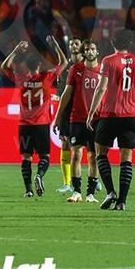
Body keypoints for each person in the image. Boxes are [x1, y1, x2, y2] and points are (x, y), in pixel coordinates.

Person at [86, 30, 135, 211]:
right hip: (130, 116)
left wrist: (91, 112)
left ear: (113, 43)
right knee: (126, 159)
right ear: (130, 44)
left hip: (109, 115)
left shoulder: (108, 61)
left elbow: (101, 88)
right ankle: (122, 202)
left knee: (100, 153)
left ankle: (111, 192)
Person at [1, 37, 67, 197]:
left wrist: (16, 50)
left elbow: (4, 67)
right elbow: (64, 63)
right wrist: (56, 46)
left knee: (26, 157)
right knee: (45, 156)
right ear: (39, 65)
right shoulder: (47, 77)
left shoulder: (21, 78)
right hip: (41, 124)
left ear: (27, 66)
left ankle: (28, 190)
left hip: (24, 125)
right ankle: (39, 176)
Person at [54, 40, 100, 204]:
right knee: (76, 154)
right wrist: (57, 117)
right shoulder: (76, 69)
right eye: (87, 49)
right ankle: (76, 192)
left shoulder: (103, 70)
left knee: (94, 157)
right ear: (84, 52)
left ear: (97, 51)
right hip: (77, 119)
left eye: (92, 49)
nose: (90, 51)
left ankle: (91, 194)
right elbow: (67, 94)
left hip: (97, 120)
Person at [55, 37, 83, 195]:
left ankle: (94, 178)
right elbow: (61, 90)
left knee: (89, 148)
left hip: (82, 111)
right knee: (65, 145)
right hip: (67, 111)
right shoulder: (65, 68)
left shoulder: (87, 66)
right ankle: (67, 183)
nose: (73, 46)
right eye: (71, 44)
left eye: (76, 43)